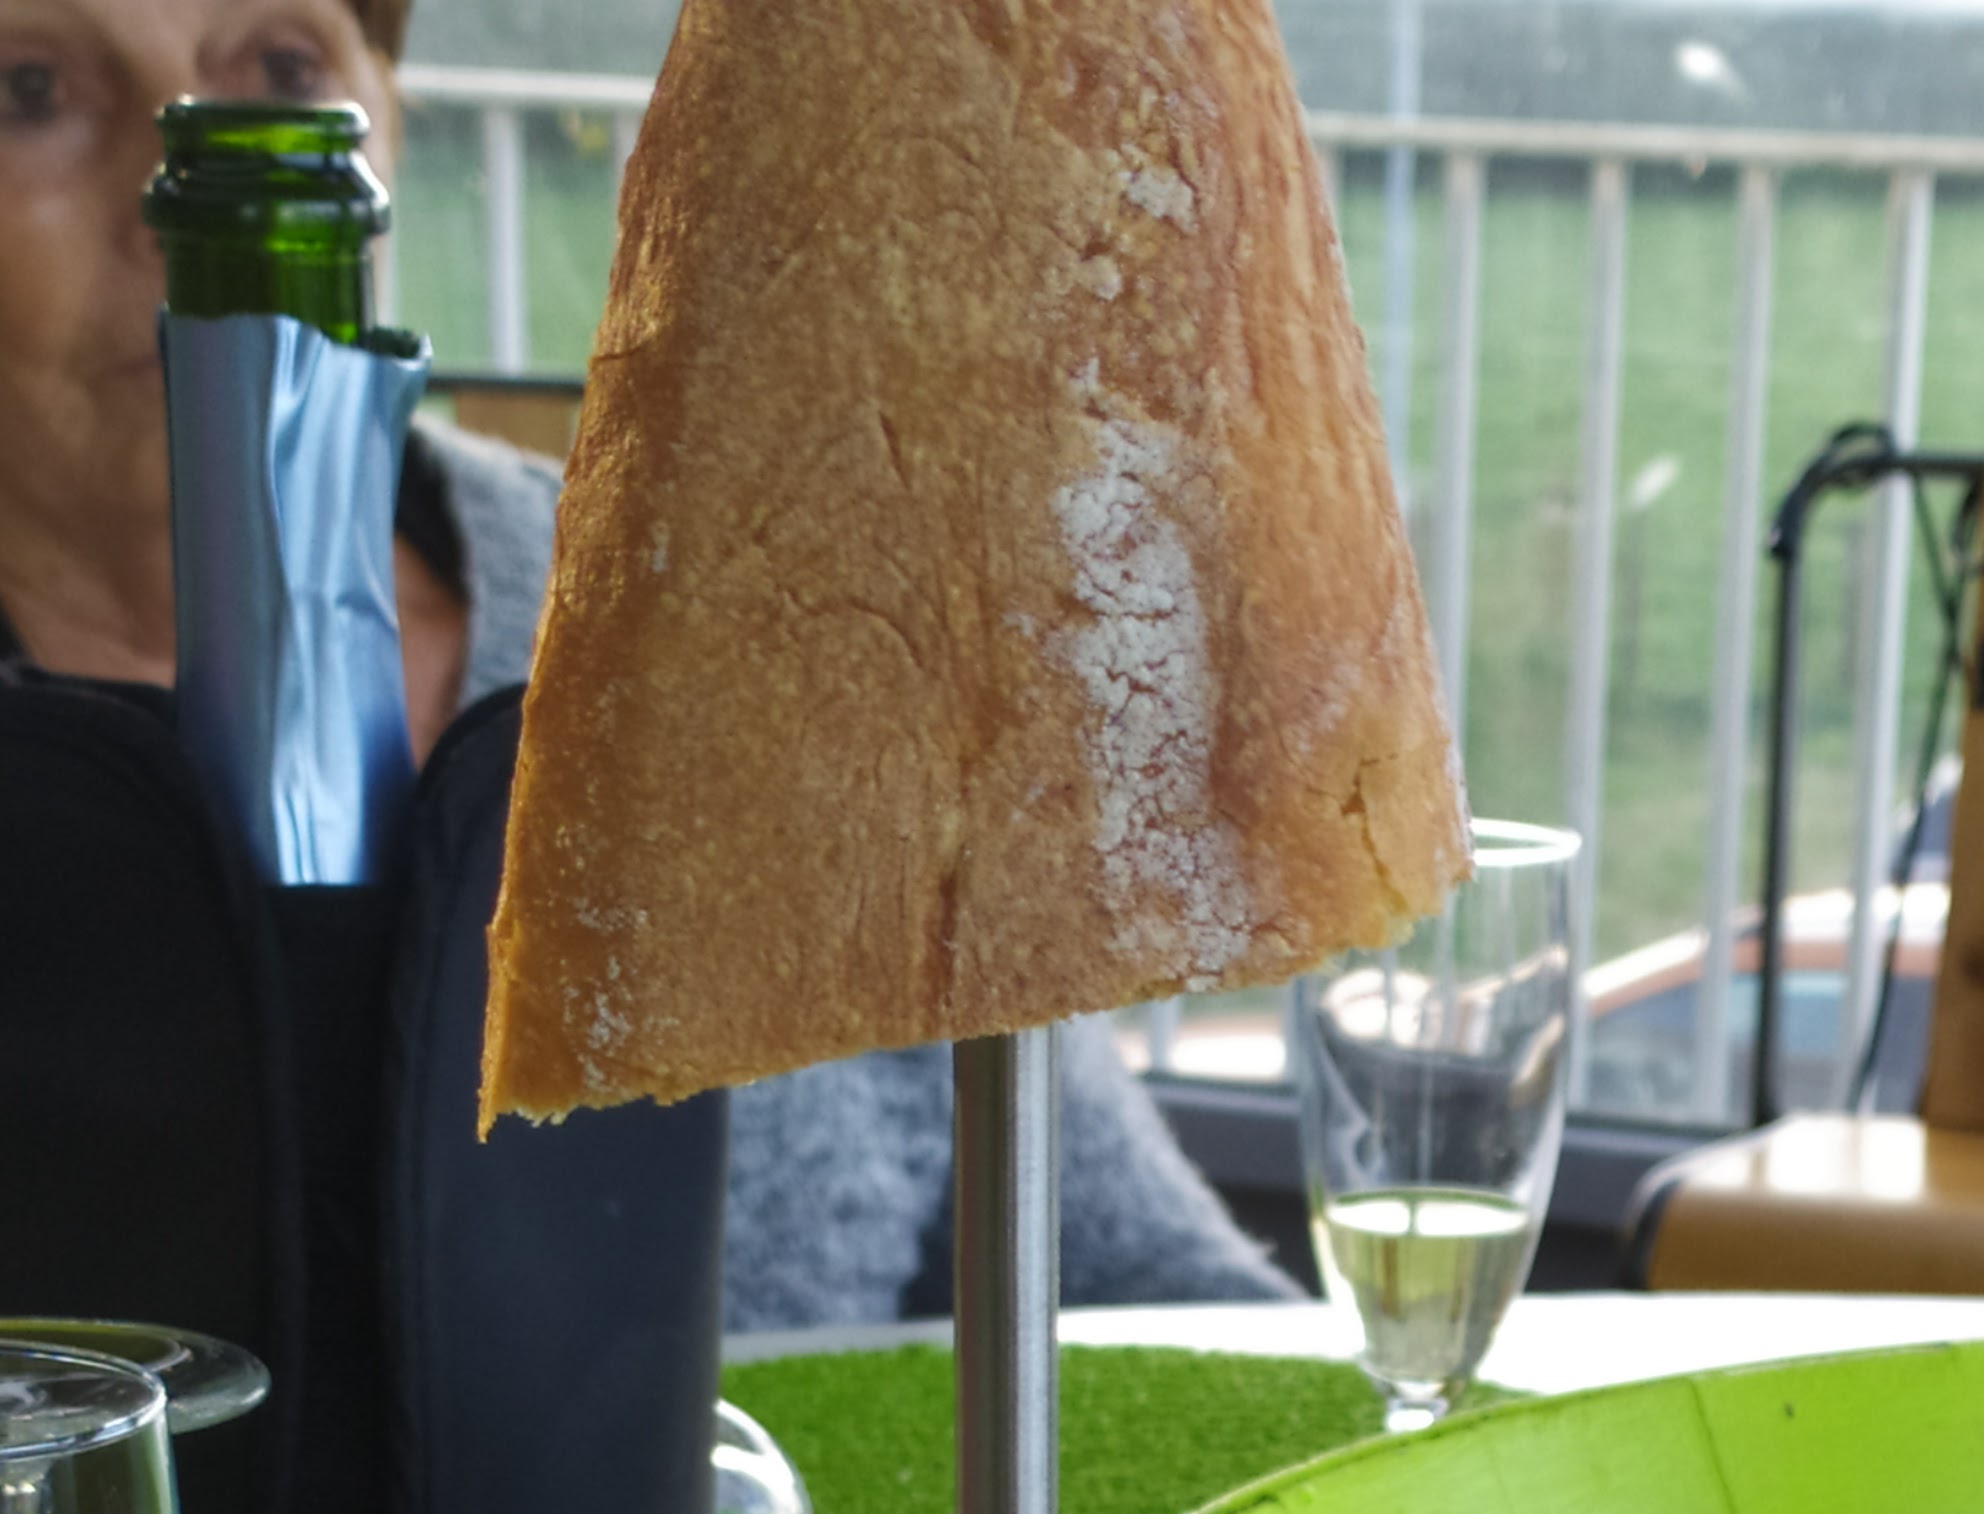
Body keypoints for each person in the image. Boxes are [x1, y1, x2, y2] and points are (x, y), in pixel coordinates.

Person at [0, 0, 1297, 1329]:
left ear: (385, 114)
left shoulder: (747, 629)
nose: (170, 189)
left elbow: (1159, 1288)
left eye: (280, 67)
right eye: (28, 92)